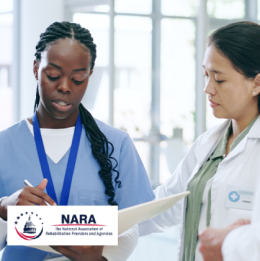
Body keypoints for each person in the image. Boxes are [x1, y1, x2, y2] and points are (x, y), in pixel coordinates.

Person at [0, 21, 155, 261]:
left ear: (90, 76)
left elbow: (133, 225)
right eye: (53, 75)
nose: (64, 87)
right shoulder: (4, 145)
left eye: (78, 79)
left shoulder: (117, 144)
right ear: (35, 69)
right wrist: (2, 209)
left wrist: (100, 259)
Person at [138, 21, 260, 261]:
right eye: (206, 75)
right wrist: (80, 225)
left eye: (219, 80)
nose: (207, 89)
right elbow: (159, 208)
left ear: (256, 83)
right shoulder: (207, 144)